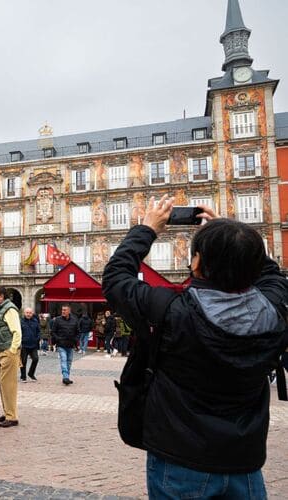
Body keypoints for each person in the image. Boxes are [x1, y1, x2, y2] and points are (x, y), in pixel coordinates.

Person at [102, 195, 288, 499]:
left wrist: (147, 228)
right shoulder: (274, 308)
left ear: (197, 261)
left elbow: (115, 278)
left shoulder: (172, 311)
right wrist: (232, 236)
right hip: (245, 462)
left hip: (180, 460)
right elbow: (271, 275)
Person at [0, 286, 22, 427]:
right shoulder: (2, 309)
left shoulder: (9, 309)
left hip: (9, 351)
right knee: (3, 384)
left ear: (1, 296)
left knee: (9, 385)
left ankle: (12, 417)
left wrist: (12, 350)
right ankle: (7, 412)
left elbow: (17, 332)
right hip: (4, 351)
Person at [51, 305, 79, 385]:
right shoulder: (58, 320)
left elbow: (78, 332)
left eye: (65, 310)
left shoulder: (74, 320)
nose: (63, 311)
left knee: (69, 361)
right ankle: (65, 377)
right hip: (61, 344)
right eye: (62, 310)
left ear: (69, 311)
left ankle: (67, 377)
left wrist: (75, 340)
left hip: (70, 345)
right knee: (63, 359)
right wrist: (58, 339)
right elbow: (53, 332)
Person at [19, 308, 40, 382]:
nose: (28, 314)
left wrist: (37, 338)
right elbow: (18, 333)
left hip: (33, 345)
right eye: (27, 312)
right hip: (24, 345)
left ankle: (31, 373)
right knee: (23, 361)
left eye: (30, 313)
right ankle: (23, 376)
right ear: (24, 313)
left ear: (32, 313)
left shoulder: (35, 321)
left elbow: (38, 331)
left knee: (36, 359)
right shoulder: (21, 321)